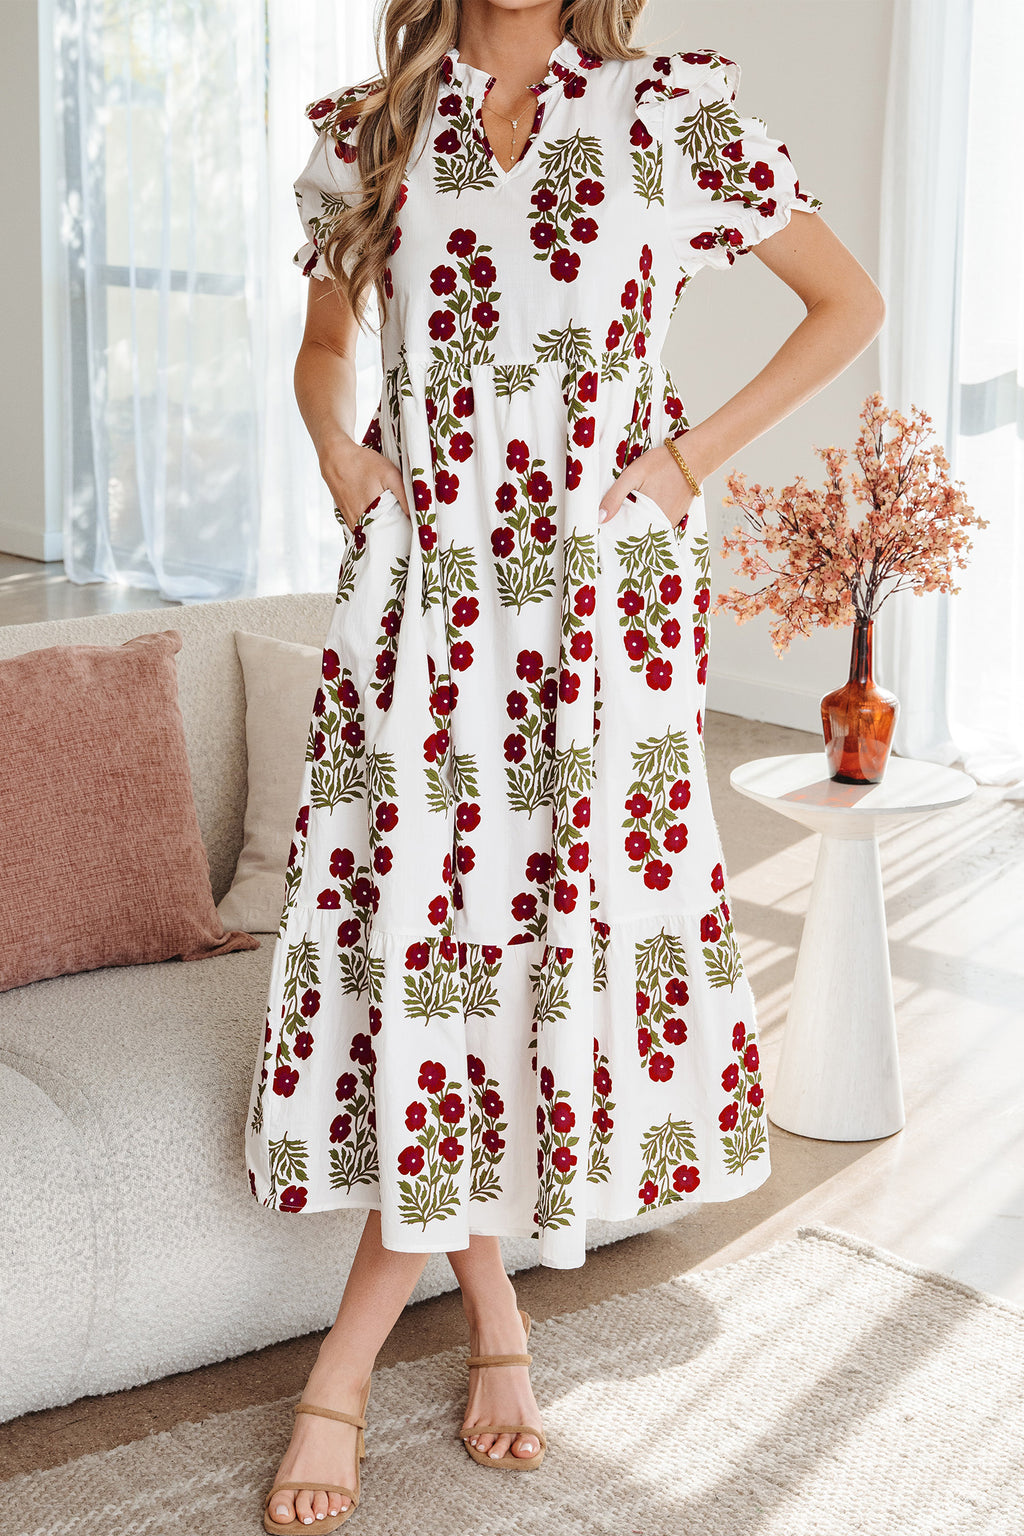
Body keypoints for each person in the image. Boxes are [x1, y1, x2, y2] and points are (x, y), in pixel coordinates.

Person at [247, 0, 885, 1528]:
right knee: (433, 936)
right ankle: (487, 1325)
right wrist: (341, 452)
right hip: (426, 593)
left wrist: (682, 460)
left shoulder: (668, 108)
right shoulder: (372, 126)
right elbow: (328, 352)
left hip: (599, 608)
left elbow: (843, 303)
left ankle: (374, 1350)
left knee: (532, 930)